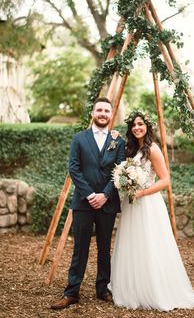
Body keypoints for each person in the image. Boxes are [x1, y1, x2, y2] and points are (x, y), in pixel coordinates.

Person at [109, 110, 194, 311]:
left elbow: (166, 180)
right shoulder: (131, 149)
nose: (137, 127)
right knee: (132, 243)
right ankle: (132, 287)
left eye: (140, 124)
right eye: (133, 125)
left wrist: (142, 193)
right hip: (132, 204)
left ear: (147, 126)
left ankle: (153, 288)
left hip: (148, 204)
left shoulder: (153, 149)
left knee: (150, 244)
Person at [51, 97, 125, 310]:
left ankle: (102, 289)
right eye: (99, 110)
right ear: (93, 112)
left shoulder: (117, 141)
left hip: (108, 203)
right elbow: (74, 168)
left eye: (106, 111)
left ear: (111, 115)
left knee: (104, 248)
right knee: (80, 248)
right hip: (84, 203)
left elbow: (119, 171)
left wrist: (105, 195)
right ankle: (72, 292)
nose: (103, 114)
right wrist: (91, 194)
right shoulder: (79, 139)